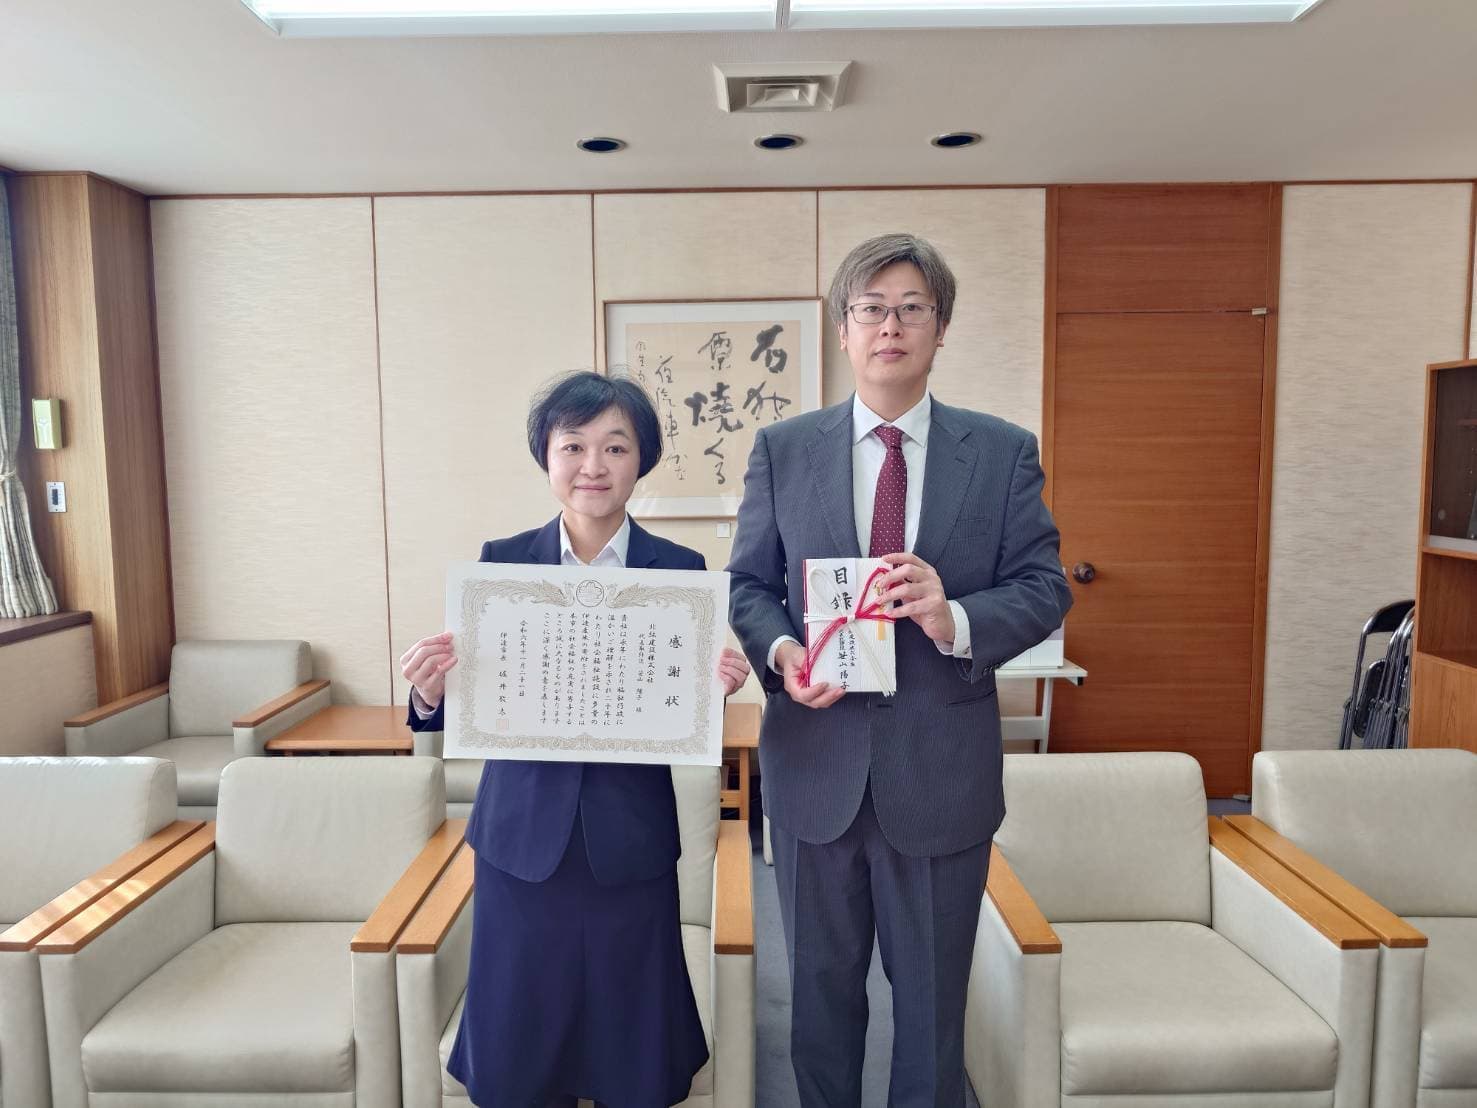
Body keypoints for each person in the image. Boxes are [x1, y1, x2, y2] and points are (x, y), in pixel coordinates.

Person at [727, 233, 1073, 1107]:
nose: (890, 326)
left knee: (930, 1007)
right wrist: (783, 653)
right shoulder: (783, 449)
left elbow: (1043, 586)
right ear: (843, 329)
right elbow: (747, 586)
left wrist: (954, 615)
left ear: (940, 327)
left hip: (940, 772)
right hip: (815, 765)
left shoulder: (999, 452)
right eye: (871, 309)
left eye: (911, 308)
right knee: (818, 1002)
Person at [400, 370, 751, 1108]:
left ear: (641, 459)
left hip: (630, 837)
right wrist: (430, 692)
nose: (593, 465)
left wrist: (710, 691)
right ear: (547, 457)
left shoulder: (679, 572)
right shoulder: (499, 563)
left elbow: (678, 718)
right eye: (573, 446)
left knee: (630, 1041)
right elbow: (473, 695)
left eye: (615, 447)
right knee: (522, 1046)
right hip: (522, 837)